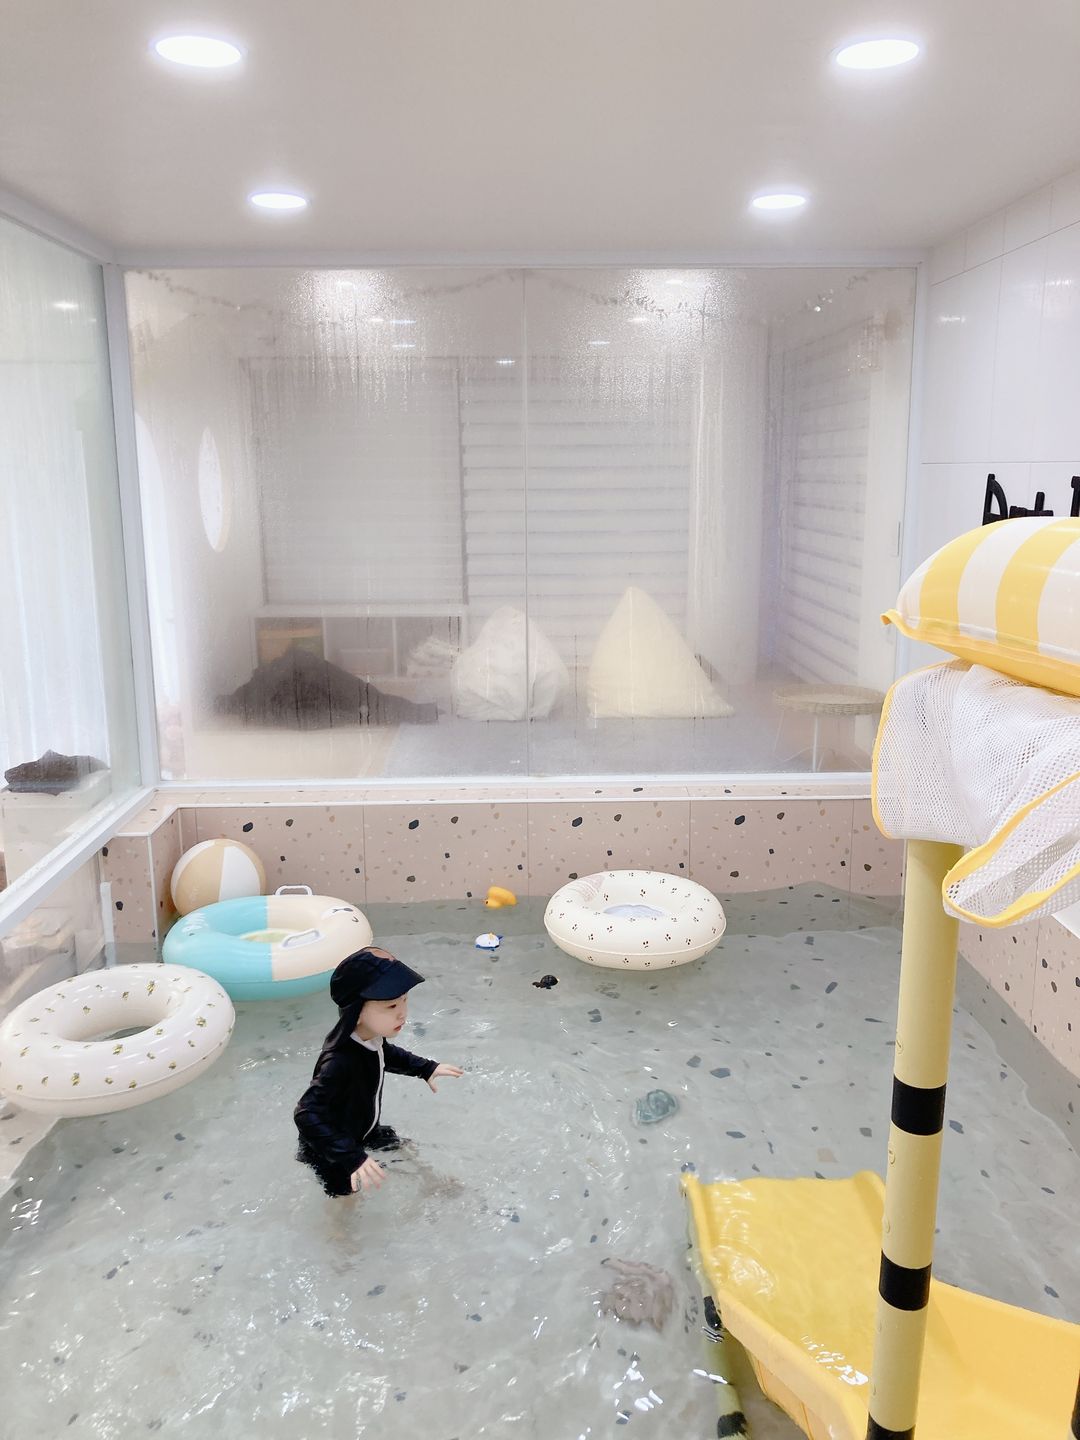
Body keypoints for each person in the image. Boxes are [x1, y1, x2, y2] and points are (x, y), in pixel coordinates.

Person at [294, 946, 463, 1197]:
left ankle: (430, 1183)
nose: (402, 1013)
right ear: (356, 1013)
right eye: (391, 1006)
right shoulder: (338, 1061)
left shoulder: (370, 1038)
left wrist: (427, 1068)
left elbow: (387, 1055)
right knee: (346, 1194)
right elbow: (306, 1114)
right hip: (332, 1147)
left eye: (405, 1000)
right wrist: (352, 1157)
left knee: (403, 1147)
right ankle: (341, 1221)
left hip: (365, 1130)